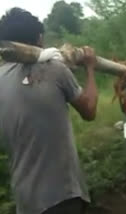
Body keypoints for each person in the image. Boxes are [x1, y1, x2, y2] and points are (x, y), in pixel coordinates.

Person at [0, 8, 98, 214]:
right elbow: (89, 111)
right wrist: (90, 68)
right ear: (39, 39)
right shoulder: (53, 69)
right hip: (62, 196)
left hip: (25, 202)